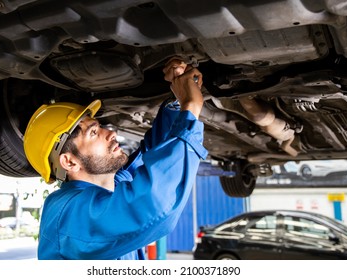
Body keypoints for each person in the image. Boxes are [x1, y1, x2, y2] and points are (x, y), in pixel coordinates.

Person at [23, 57, 208, 260]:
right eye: (93, 133)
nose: (110, 133)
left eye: (99, 126)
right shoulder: (66, 215)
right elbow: (152, 204)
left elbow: (152, 156)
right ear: (69, 162)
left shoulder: (108, 189)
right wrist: (191, 108)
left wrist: (179, 101)